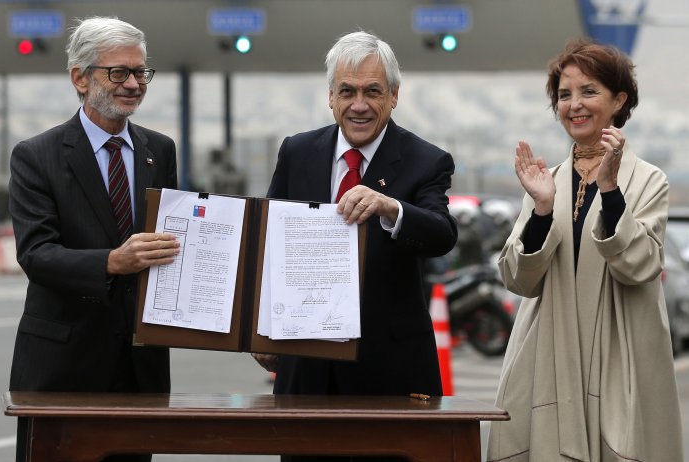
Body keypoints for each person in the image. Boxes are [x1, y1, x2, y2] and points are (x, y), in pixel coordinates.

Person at [253, 30, 458, 462]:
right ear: (330, 96)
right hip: (304, 366)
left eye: (372, 92)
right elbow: (266, 241)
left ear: (394, 96)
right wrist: (259, 327)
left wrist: (391, 208)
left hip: (389, 370)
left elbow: (442, 233)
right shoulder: (296, 151)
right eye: (347, 91)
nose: (359, 104)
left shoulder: (427, 160)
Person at [487, 39, 683, 461]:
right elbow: (518, 279)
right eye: (564, 95)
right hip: (547, 356)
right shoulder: (546, 181)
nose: (574, 104)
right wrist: (541, 209)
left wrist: (610, 192)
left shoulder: (649, 180)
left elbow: (641, 265)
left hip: (620, 353)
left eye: (588, 91)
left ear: (619, 101)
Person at [8, 16, 180, 462]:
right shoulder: (36, 156)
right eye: (118, 72)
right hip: (63, 366)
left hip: (139, 368)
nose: (134, 84)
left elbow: (173, 242)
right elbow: (36, 254)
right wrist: (111, 262)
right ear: (80, 78)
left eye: (141, 72)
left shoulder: (159, 150)